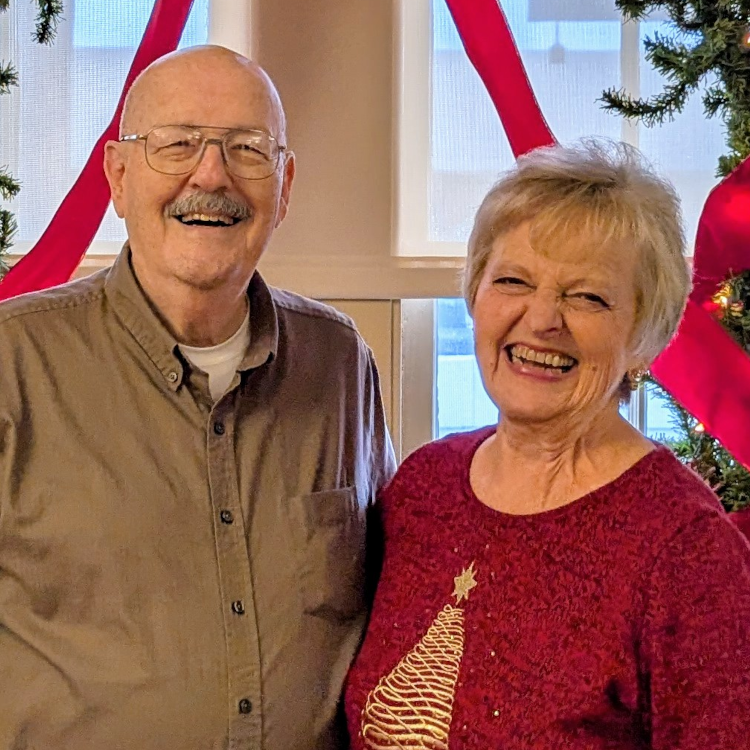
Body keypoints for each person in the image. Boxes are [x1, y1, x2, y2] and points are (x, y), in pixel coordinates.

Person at [0, 45, 395, 750]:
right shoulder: (13, 364)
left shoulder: (338, 364)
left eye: (247, 148)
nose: (211, 175)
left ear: (284, 184)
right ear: (119, 176)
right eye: (176, 144)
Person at [345, 139, 750, 749]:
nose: (541, 319)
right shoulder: (424, 487)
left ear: (644, 335)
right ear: (476, 295)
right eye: (513, 280)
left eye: (587, 296)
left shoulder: (686, 549)